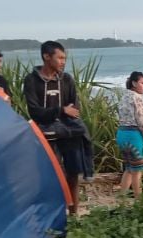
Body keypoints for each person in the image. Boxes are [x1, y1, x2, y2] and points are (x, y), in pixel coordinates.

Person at [23, 41, 94, 215]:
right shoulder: (31, 80)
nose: (63, 61)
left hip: (69, 132)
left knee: (73, 174)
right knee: (51, 175)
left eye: (65, 58)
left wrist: (63, 112)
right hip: (46, 135)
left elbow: (75, 109)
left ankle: (74, 214)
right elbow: (35, 112)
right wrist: (61, 110)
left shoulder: (67, 79)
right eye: (60, 57)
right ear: (47, 57)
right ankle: (53, 215)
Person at [116, 71, 143, 197]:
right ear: (134, 83)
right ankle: (139, 200)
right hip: (134, 136)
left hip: (121, 134)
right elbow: (142, 122)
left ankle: (122, 199)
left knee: (129, 169)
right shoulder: (137, 97)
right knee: (137, 172)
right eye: (142, 83)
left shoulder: (124, 96)